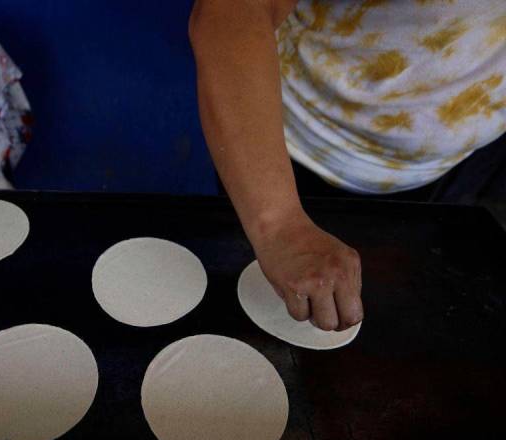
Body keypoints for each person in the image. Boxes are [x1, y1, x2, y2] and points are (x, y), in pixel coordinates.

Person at [189, 0, 506, 331]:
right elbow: (232, 11)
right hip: (306, 152)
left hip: (460, 159)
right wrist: (278, 222)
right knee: (266, 312)